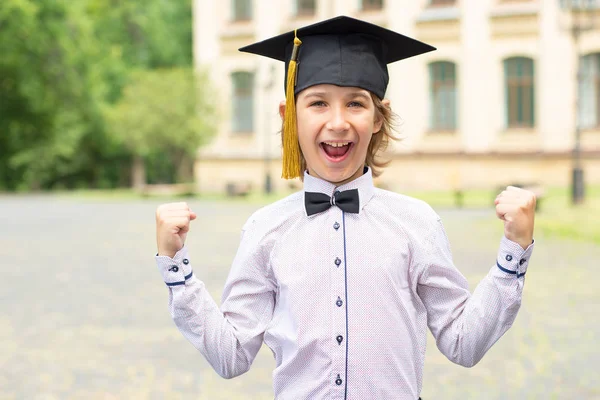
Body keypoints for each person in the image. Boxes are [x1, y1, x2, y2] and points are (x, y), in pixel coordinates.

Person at [154, 16, 536, 400]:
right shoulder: (265, 228)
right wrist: (176, 268)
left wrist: (513, 254)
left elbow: (463, 343)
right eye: (318, 103)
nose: (337, 122)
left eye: (355, 103)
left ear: (377, 117)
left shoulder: (416, 223)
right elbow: (231, 356)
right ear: (290, 117)